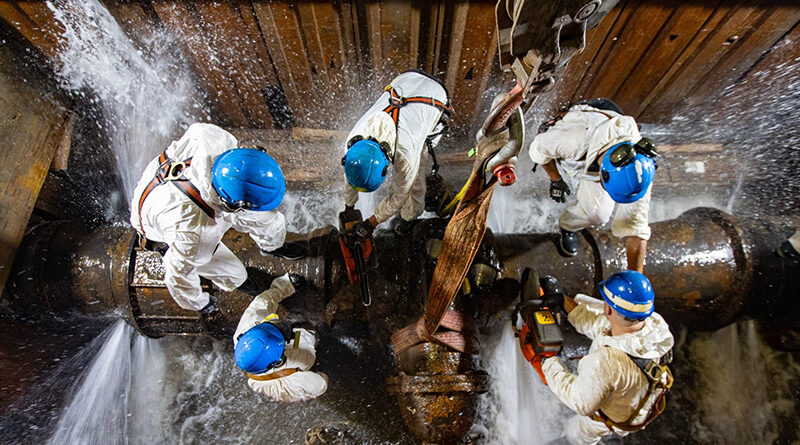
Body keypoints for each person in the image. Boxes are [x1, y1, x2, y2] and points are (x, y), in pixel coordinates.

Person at [129, 123, 306, 325]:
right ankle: (240, 282)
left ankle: (272, 246)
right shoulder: (194, 233)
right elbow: (177, 276)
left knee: (270, 219)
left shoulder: (214, 138)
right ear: (232, 205)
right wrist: (201, 304)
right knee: (234, 273)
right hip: (155, 217)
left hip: (184, 189)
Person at [532, 271, 674, 445]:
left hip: (615, 417)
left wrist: (547, 361)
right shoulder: (654, 327)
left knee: (580, 432)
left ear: (608, 309)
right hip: (641, 401)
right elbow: (598, 324)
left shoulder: (606, 363)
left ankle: (575, 441)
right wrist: (562, 300)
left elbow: (581, 403)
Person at [528, 99, 657, 272]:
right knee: (597, 213)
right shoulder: (573, 141)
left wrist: (636, 278)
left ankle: (569, 225)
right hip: (587, 122)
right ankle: (567, 226)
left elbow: (636, 226)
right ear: (603, 174)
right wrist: (556, 179)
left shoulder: (640, 172)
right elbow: (537, 149)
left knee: (598, 216)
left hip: (605, 142)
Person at [341, 70, 453, 240]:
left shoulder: (406, 153)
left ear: (386, 167)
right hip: (406, 81)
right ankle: (408, 217)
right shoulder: (352, 146)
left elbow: (399, 196)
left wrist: (372, 222)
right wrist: (349, 207)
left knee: (415, 181)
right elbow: (351, 174)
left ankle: (409, 217)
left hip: (436, 98)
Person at [233, 273, 328, 402]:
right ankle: (310, 339)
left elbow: (264, 301)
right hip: (296, 365)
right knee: (309, 336)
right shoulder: (287, 385)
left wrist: (286, 285)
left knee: (266, 306)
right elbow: (321, 384)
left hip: (290, 357)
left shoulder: (249, 326)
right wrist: (317, 372)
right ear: (279, 360)